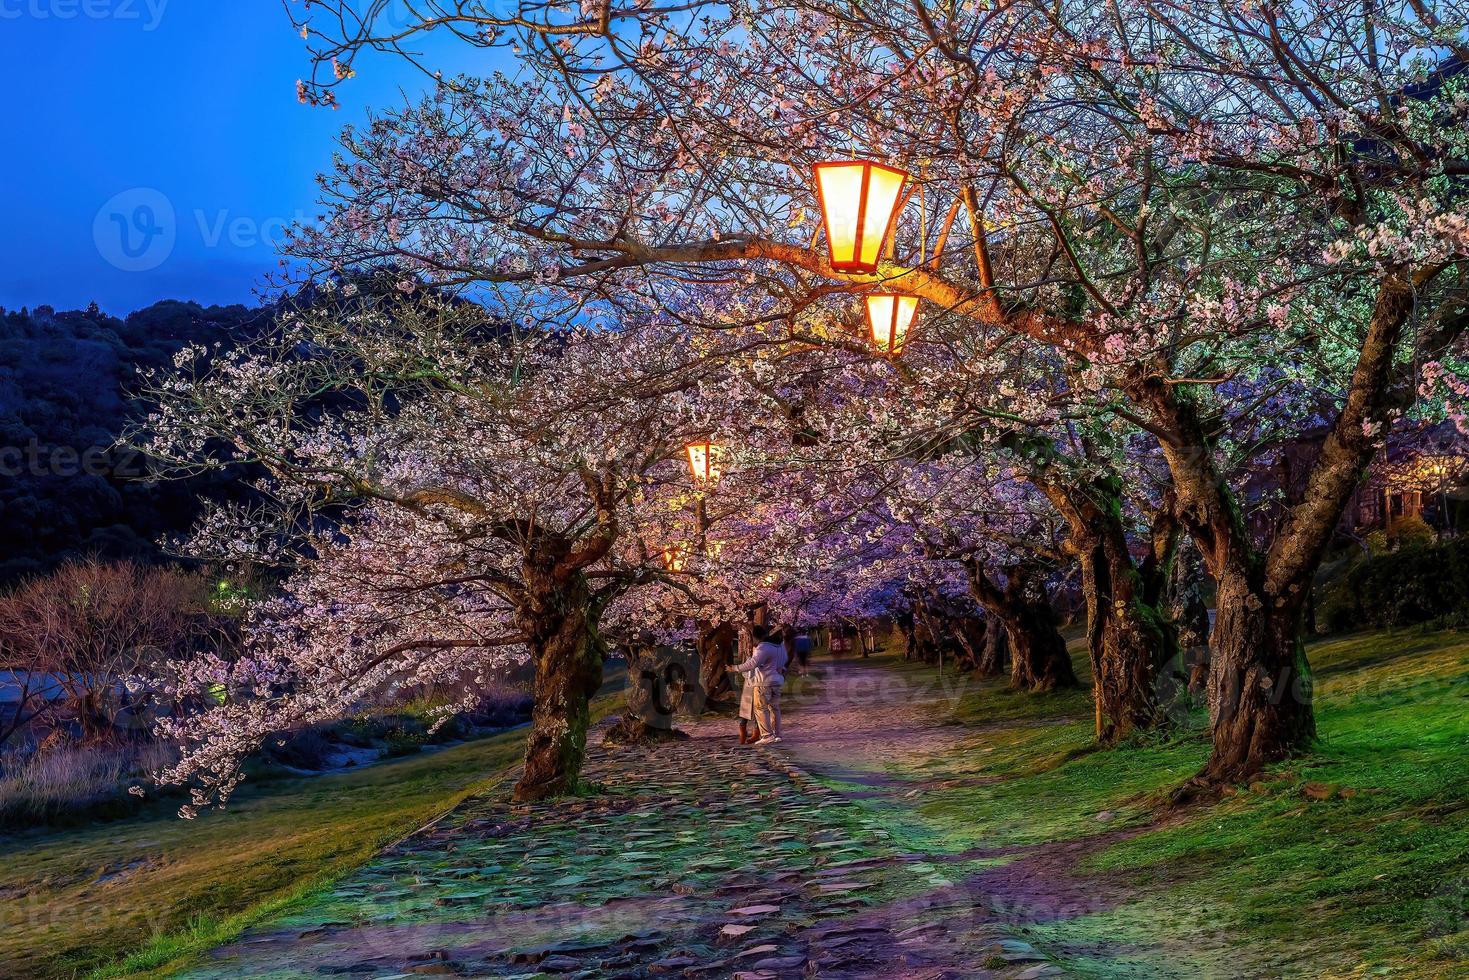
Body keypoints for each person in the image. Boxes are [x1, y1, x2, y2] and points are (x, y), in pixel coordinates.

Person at [729, 625, 788, 745]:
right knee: (775, 709)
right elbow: (784, 660)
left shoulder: (763, 647)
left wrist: (735, 668)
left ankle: (767, 735)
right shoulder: (780, 646)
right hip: (776, 681)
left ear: (757, 637)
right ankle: (777, 734)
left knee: (761, 708)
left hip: (763, 682)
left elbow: (753, 663)